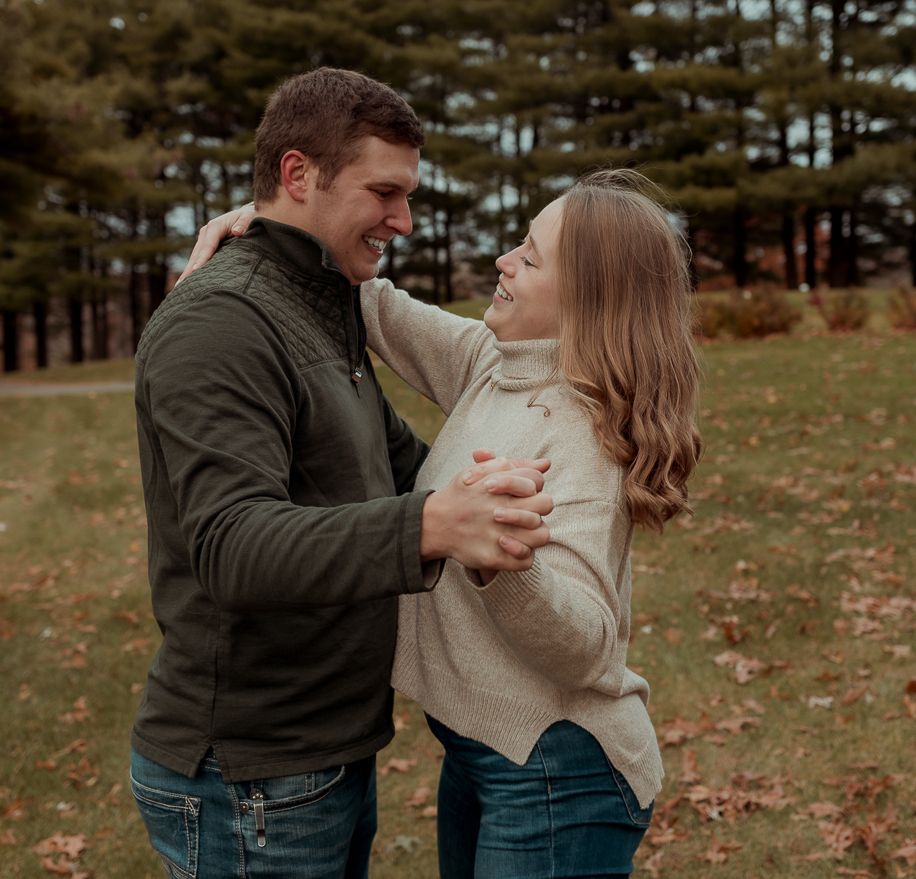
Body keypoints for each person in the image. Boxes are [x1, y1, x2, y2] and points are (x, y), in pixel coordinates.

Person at [188, 168, 702, 878]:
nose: (504, 261)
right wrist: (277, 222)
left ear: (587, 295)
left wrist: (498, 559)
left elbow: (587, 646)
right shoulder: (496, 364)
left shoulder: (585, 438)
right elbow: (375, 303)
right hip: (486, 754)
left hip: (557, 769)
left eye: (530, 255)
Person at [130, 66, 557, 879]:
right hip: (250, 775)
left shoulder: (319, 305)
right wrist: (433, 523)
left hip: (318, 755)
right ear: (298, 174)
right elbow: (232, 546)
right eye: (384, 192)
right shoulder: (221, 321)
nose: (402, 220)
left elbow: (402, 470)